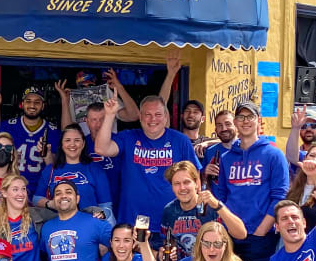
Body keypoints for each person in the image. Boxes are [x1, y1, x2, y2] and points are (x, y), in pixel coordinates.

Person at [213, 100, 289, 261]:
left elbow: (279, 196)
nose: (245, 121)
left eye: (250, 117)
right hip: (232, 236)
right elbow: (222, 196)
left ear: (259, 122)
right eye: (241, 117)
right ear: (235, 122)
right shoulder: (227, 158)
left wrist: (261, 230)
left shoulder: (273, 155)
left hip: (261, 237)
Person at [94, 95, 200, 233]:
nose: (153, 119)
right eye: (147, 115)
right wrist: (109, 115)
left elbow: (195, 180)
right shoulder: (128, 137)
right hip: (134, 222)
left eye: (157, 114)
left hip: (172, 221)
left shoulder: (180, 140)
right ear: (140, 117)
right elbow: (101, 149)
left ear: (166, 117)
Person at [0, 85, 60, 197]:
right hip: (11, 188)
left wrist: (48, 155)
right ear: (22, 104)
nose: (32, 105)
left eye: (37, 102)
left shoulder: (52, 131)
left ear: (43, 105)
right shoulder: (9, 126)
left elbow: (54, 165)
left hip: (39, 191)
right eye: (28, 101)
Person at [34, 123, 114, 224]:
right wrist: (51, 204)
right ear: (62, 144)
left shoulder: (95, 169)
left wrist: (102, 214)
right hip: (58, 226)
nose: (72, 144)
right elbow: (36, 198)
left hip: (88, 226)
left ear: (83, 143)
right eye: (67, 140)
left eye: (77, 140)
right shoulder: (50, 170)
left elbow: (106, 205)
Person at [0, 174, 44, 261]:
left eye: (23, 189)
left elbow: (63, 216)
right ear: (4, 193)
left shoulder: (37, 215)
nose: (21, 194)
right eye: (15, 189)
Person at [198, 110, 237, 180]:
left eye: (228, 124)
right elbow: (203, 183)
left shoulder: (246, 149)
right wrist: (205, 174)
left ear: (236, 126)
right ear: (215, 129)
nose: (224, 129)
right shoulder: (210, 152)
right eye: (219, 125)